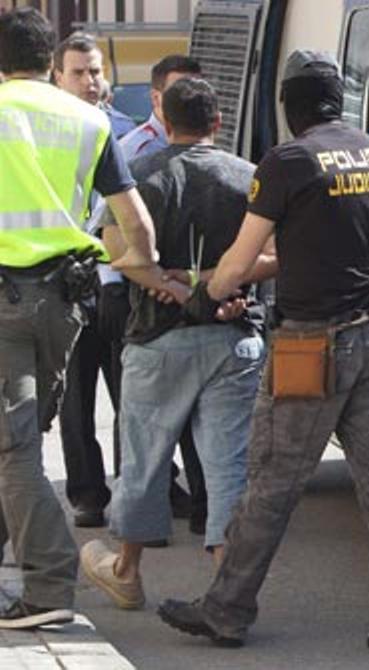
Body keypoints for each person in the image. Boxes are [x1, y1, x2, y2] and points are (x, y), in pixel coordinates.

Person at [156, 50, 369, 654]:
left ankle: (225, 610)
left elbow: (240, 258)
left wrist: (205, 295)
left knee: (271, 481)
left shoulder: (288, 161)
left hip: (311, 348)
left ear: (290, 106)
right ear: (338, 100)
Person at [0, 7, 172, 630]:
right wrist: (142, 266)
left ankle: (48, 585)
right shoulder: (88, 119)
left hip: (5, 303)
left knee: (14, 445)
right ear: (50, 62)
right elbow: (136, 222)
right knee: (19, 439)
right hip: (67, 303)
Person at [79, 77, 268, 610]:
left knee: (143, 461)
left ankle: (126, 571)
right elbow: (276, 254)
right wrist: (214, 286)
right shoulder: (249, 177)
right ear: (217, 122)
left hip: (157, 338)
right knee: (228, 466)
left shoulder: (140, 174)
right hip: (234, 336)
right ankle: (229, 588)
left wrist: (174, 285)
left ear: (165, 121)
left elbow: (117, 252)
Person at [111, 53, 211, 537]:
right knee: (144, 433)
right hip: (142, 303)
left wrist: (180, 284)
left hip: (192, 305)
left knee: (191, 423)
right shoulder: (131, 153)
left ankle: (194, 515)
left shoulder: (225, 164)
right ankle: (148, 525)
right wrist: (174, 285)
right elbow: (116, 247)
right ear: (157, 100)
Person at [50, 31, 139, 530]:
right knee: (76, 399)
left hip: (121, 282)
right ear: (57, 76)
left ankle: (138, 489)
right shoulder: (44, 132)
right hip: (70, 282)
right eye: (79, 72)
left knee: (132, 395)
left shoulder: (124, 131)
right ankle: (87, 493)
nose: (89, 81)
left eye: (96, 71)